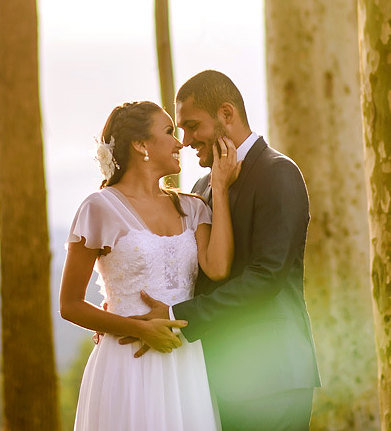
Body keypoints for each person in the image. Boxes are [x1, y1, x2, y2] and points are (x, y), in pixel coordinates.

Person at [134, 70, 319, 431]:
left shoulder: (278, 173)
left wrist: (177, 316)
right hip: (215, 376)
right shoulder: (204, 185)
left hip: (273, 376)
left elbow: (266, 277)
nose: (185, 141)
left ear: (226, 114)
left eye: (192, 126)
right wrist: (128, 313)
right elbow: (193, 267)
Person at [59, 100, 242, 431]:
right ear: (141, 144)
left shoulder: (194, 208)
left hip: (185, 362)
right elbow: (69, 305)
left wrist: (222, 189)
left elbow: (217, 268)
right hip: (127, 364)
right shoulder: (98, 208)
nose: (179, 142)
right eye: (169, 132)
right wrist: (139, 328)